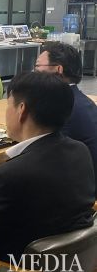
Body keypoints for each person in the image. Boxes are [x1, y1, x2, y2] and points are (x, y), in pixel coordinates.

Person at [0, 71, 95, 261]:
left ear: (21, 110)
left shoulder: (6, 176)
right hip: (71, 264)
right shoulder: (80, 151)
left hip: (16, 271)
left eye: (8, 104)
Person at [34, 41, 97, 195]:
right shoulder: (82, 101)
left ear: (58, 69)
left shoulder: (61, 107)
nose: (34, 72)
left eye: (37, 66)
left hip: (78, 191)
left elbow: (42, 155)